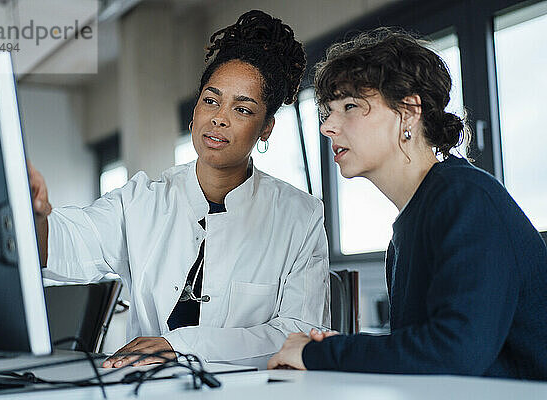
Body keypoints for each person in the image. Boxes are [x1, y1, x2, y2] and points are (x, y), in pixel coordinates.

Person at [30, 10, 330, 370]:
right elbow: (66, 243)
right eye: (211, 100)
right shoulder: (142, 200)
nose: (219, 117)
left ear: (266, 128)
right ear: (196, 107)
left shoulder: (301, 216)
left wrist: (180, 345)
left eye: (243, 109)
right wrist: (34, 213)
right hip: (147, 387)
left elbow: (298, 333)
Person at [268, 27, 547, 380]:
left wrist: (322, 352)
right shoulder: (406, 231)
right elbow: (422, 352)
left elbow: (456, 352)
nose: (328, 127)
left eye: (350, 106)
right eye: (327, 112)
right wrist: (336, 349)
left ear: (409, 111)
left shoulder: (466, 196)